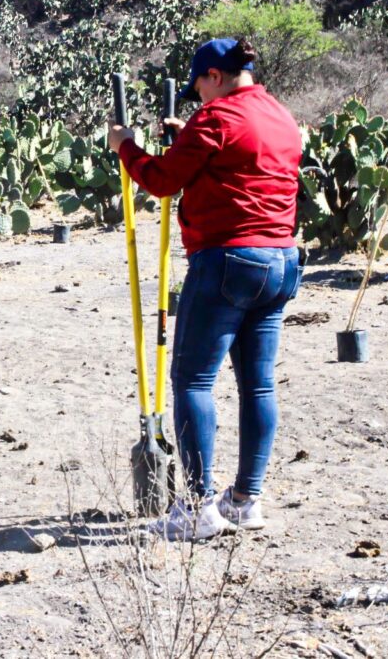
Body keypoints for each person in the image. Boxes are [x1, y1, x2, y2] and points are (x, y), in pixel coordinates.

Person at [108, 38, 304, 541]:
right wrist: (186, 134)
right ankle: (244, 500)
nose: (197, 96)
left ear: (214, 75)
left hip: (227, 259)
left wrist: (125, 146)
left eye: (199, 85)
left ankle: (197, 506)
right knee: (257, 384)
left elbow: (161, 180)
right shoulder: (280, 115)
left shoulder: (215, 119)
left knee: (192, 381)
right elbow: (232, 162)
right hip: (281, 259)